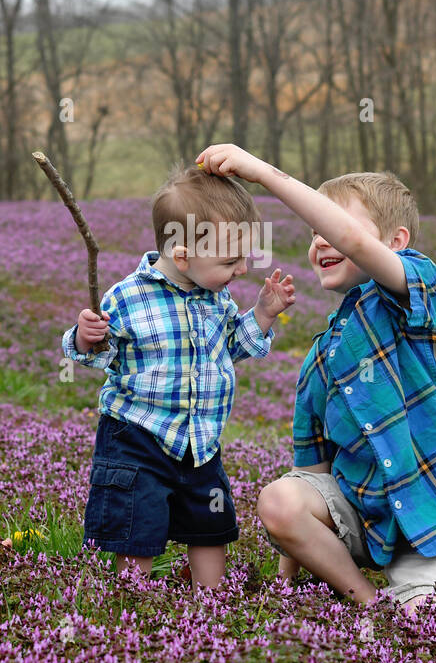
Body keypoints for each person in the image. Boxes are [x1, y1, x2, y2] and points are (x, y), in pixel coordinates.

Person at [195, 144, 436, 617]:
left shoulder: (420, 293)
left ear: (397, 242)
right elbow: (312, 470)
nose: (320, 240)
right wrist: (285, 584)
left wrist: (261, 172)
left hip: (433, 522)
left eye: (330, 225)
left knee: (429, 625)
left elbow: (354, 242)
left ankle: (419, 597)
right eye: (313, 232)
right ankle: (369, 602)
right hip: (362, 518)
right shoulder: (321, 355)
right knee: (279, 498)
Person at [63, 164, 295, 590]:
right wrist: (86, 337)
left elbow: (231, 349)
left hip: (200, 441)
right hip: (137, 438)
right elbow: (100, 356)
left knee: (211, 525)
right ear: (183, 256)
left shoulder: (216, 298)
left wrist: (262, 314)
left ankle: (211, 598)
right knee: (137, 522)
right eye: (230, 260)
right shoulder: (126, 297)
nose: (242, 269)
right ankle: (129, 599)